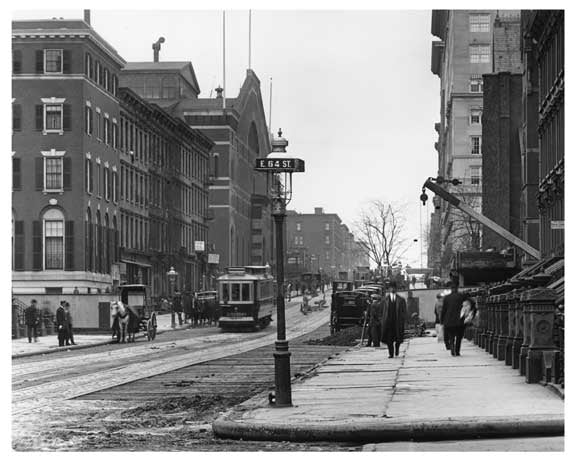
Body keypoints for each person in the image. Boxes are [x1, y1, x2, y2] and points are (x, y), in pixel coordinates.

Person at [441, 281, 468, 356]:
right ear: (457, 288)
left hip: (449, 320)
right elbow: (466, 306)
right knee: (459, 337)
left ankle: (452, 347)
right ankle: (457, 350)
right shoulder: (462, 297)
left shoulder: (447, 298)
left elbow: (444, 310)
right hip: (459, 320)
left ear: (451, 289)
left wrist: (442, 320)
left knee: (451, 336)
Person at [381, 281, 407, 358]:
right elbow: (382, 311)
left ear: (396, 288)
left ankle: (397, 348)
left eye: (394, 287)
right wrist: (382, 320)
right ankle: (391, 353)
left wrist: (403, 320)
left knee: (398, 339)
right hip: (388, 322)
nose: (392, 289)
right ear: (389, 289)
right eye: (391, 287)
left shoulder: (401, 300)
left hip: (397, 322)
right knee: (389, 339)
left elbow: (404, 311)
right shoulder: (385, 300)